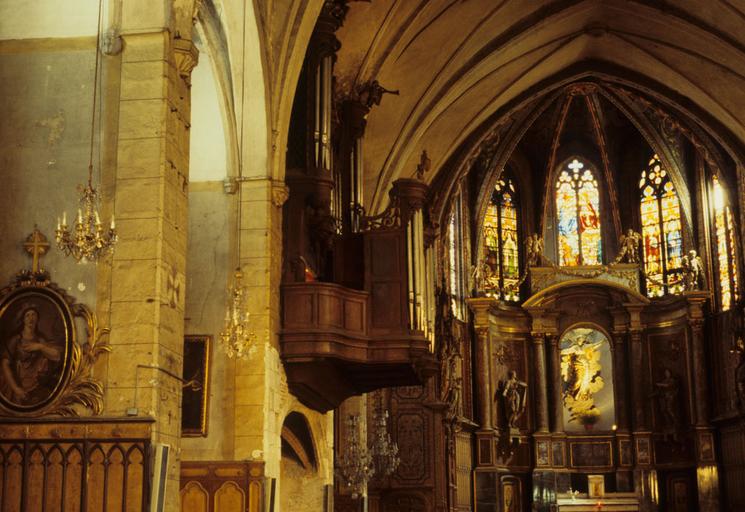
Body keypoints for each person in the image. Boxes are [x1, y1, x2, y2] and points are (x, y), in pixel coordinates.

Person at [1, 305, 62, 405]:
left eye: (33, 315)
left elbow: (56, 356)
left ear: (37, 319)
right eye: (27, 315)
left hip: (35, 384)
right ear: (23, 320)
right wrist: (16, 388)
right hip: (17, 383)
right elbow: (5, 364)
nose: (31, 318)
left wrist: (40, 347)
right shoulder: (16, 339)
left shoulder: (40, 340)